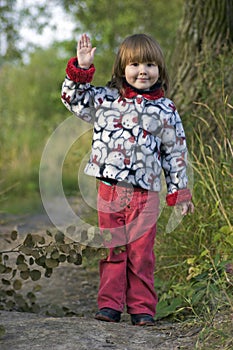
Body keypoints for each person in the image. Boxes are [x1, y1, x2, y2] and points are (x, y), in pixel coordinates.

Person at [61, 33, 194, 326]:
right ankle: (109, 305)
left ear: (160, 70)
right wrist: (81, 70)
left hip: (146, 194)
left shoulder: (166, 110)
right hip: (110, 189)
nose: (142, 71)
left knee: (141, 254)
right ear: (122, 69)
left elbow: (175, 152)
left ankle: (142, 308)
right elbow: (74, 100)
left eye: (150, 64)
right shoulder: (106, 100)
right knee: (114, 249)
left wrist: (179, 192)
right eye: (134, 64)